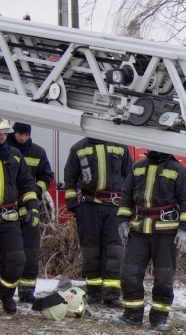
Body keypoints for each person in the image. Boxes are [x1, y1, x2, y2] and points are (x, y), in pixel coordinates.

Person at [116, 150, 186, 331]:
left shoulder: (178, 169)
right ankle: (132, 315)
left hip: (166, 234)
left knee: (164, 277)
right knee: (129, 273)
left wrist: (184, 229)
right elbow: (126, 197)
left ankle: (159, 319)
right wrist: (122, 221)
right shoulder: (137, 167)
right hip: (139, 231)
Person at [64, 137, 133, 308]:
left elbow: (131, 178)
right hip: (89, 207)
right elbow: (70, 178)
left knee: (114, 251)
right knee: (91, 251)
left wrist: (128, 206)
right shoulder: (78, 148)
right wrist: (75, 207)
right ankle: (94, 292)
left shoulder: (120, 146)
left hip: (114, 208)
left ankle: (112, 295)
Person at [7, 122, 54, 304]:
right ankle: (7, 292)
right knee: (9, 254)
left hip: (30, 207)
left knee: (31, 251)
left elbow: (46, 176)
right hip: (9, 208)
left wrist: (35, 191)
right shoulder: (6, 151)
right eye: (20, 134)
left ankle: (27, 292)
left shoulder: (37, 152)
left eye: (26, 135)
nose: (23, 138)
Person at [0, 119, 40, 314]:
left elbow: (26, 183)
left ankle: (6, 295)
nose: (2, 136)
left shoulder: (14, 156)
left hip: (8, 216)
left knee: (16, 259)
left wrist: (32, 206)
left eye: (4, 133)